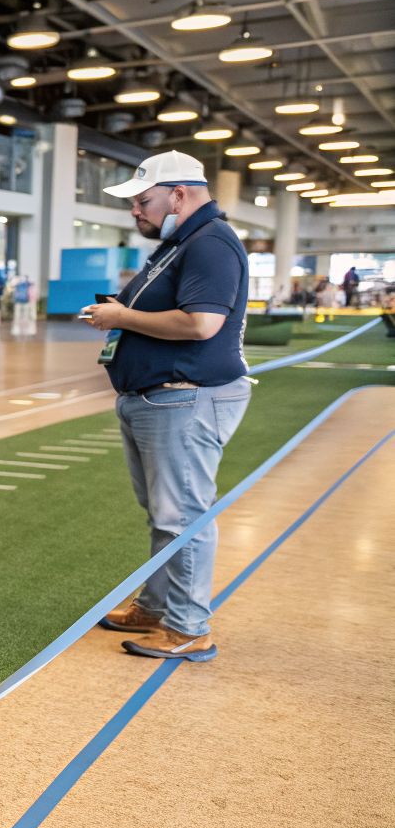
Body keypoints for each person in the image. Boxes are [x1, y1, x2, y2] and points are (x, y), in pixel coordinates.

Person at [82, 150, 251, 663]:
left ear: (179, 194)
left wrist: (122, 318)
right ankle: (157, 606)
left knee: (182, 517)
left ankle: (188, 626)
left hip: (185, 398)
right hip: (158, 399)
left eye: (142, 200)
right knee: (164, 514)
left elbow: (202, 324)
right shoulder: (180, 243)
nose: (135, 211)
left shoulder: (210, 243)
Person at [10, 273, 38, 338]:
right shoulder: (26, 284)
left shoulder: (22, 284)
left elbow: (12, 286)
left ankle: (21, 330)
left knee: (20, 316)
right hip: (24, 301)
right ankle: (21, 330)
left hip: (23, 302)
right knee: (21, 316)